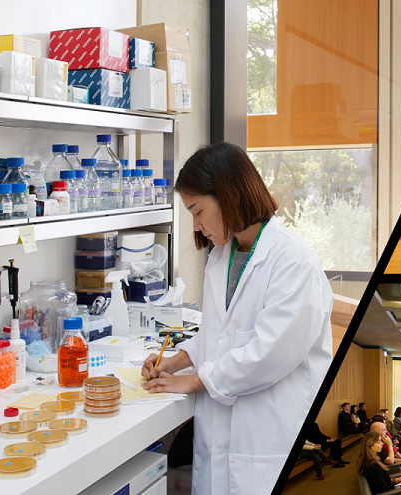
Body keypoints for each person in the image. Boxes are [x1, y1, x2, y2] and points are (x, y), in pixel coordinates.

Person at [140, 142, 333, 494]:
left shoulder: (292, 262)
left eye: (197, 211)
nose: (197, 226)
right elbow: (218, 335)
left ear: (228, 195)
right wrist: (176, 362)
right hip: (220, 438)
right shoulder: (224, 256)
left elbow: (267, 355)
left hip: (265, 438)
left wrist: (194, 381)